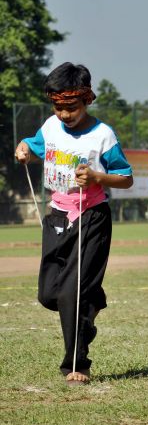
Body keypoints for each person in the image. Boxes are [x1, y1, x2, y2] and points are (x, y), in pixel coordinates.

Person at [14, 62, 133, 385]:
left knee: (70, 294)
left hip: (91, 217)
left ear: (87, 100)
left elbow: (126, 178)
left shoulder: (102, 135)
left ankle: (75, 364)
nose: (65, 114)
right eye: (58, 107)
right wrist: (24, 148)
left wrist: (96, 177)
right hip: (57, 215)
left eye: (71, 107)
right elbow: (35, 146)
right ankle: (93, 300)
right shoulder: (51, 126)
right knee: (48, 294)